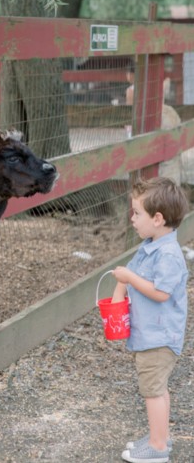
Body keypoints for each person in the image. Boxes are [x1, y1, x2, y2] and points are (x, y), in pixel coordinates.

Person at [111, 177, 189, 463]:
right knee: (158, 388)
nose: (132, 218)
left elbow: (160, 293)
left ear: (157, 219)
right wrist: (121, 288)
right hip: (151, 334)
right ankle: (161, 438)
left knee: (152, 391)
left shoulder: (168, 254)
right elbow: (130, 276)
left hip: (159, 337)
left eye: (137, 213)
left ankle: (157, 449)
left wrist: (129, 278)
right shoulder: (150, 245)